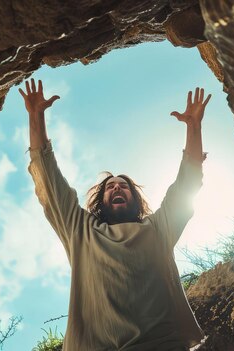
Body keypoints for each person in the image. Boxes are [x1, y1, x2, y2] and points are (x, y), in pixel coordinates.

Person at [20, 78, 211, 351]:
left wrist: (194, 127)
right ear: (100, 201)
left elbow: (187, 184)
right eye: (110, 187)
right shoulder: (81, 230)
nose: (117, 188)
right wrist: (36, 116)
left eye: (124, 186)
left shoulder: (157, 229)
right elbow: (49, 180)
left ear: (134, 198)